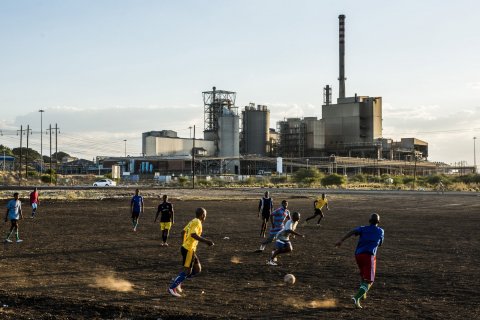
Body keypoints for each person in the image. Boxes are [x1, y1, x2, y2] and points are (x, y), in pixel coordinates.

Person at [335, 213, 384, 309]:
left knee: (363, 275)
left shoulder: (363, 228)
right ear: (378, 222)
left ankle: (363, 294)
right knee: (369, 281)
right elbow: (380, 244)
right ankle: (356, 297)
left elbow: (352, 231)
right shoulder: (381, 231)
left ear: (369, 221)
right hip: (369, 256)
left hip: (358, 255)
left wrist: (341, 240)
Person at [168, 207, 214, 297]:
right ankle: (172, 287)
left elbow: (183, 232)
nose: (205, 217)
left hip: (188, 248)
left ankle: (177, 280)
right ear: (202, 215)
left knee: (197, 269)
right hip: (189, 249)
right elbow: (193, 234)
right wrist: (207, 241)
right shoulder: (197, 222)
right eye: (205, 216)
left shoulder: (193, 221)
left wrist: (183, 243)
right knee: (188, 271)